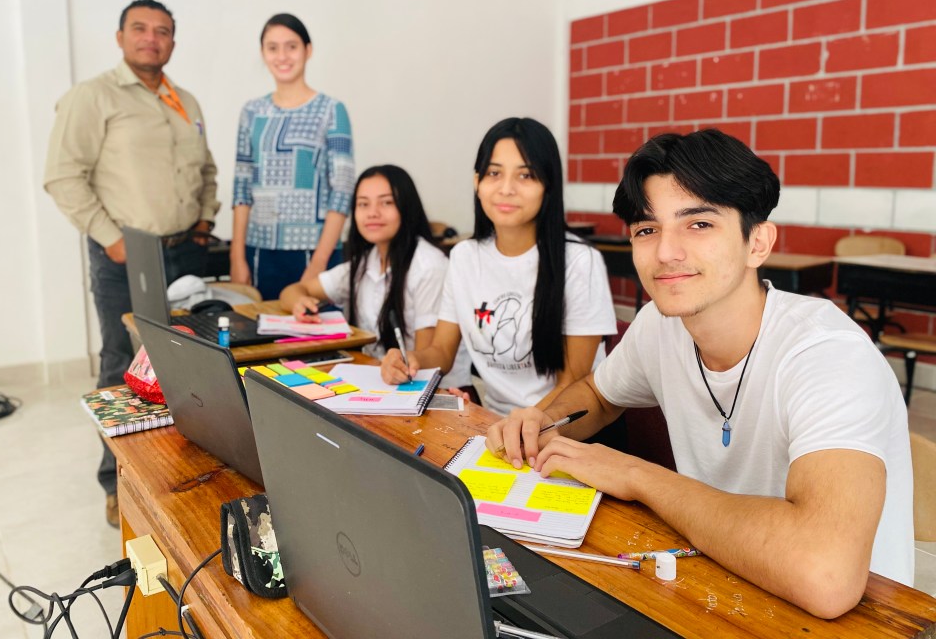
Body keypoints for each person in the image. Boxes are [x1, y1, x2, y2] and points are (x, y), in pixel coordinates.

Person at [487, 129, 914, 618]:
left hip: (856, 618)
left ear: (758, 242)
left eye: (699, 224)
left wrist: (636, 474)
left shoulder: (827, 354)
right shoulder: (659, 325)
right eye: (647, 230)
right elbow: (600, 396)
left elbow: (826, 576)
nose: (666, 252)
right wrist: (543, 420)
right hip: (719, 580)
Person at [44, 0, 219, 527]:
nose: (151, 38)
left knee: (191, 363)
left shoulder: (185, 101)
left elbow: (206, 171)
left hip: (186, 250)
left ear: (173, 43)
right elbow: (62, 176)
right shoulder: (93, 97)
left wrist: (204, 221)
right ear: (120, 37)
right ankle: (117, 482)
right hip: (127, 254)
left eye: (162, 31)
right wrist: (111, 239)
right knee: (124, 362)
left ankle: (184, 470)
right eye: (139, 28)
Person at [381, 117, 617, 414]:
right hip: (494, 424)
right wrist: (412, 359)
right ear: (477, 181)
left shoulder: (580, 262)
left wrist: (517, 426)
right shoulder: (464, 256)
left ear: (548, 185)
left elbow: (572, 382)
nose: (506, 189)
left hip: (560, 425)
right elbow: (442, 351)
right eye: (494, 173)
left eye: (525, 175)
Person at [279, 165, 469, 388]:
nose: (372, 213)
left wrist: (401, 362)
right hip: (379, 380)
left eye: (386, 202)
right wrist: (300, 302)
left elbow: (427, 359)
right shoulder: (365, 262)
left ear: (407, 207)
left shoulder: (429, 266)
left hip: (434, 389)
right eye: (363, 204)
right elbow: (291, 291)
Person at [230, 13, 355, 300]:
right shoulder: (252, 112)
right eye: (272, 48)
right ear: (263, 53)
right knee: (258, 326)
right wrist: (237, 257)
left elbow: (342, 189)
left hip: (313, 250)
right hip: (259, 250)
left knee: (315, 327)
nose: (282, 56)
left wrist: (319, 264)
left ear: (308, 50)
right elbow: (242, 187)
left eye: (292, 46)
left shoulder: (331, 110)